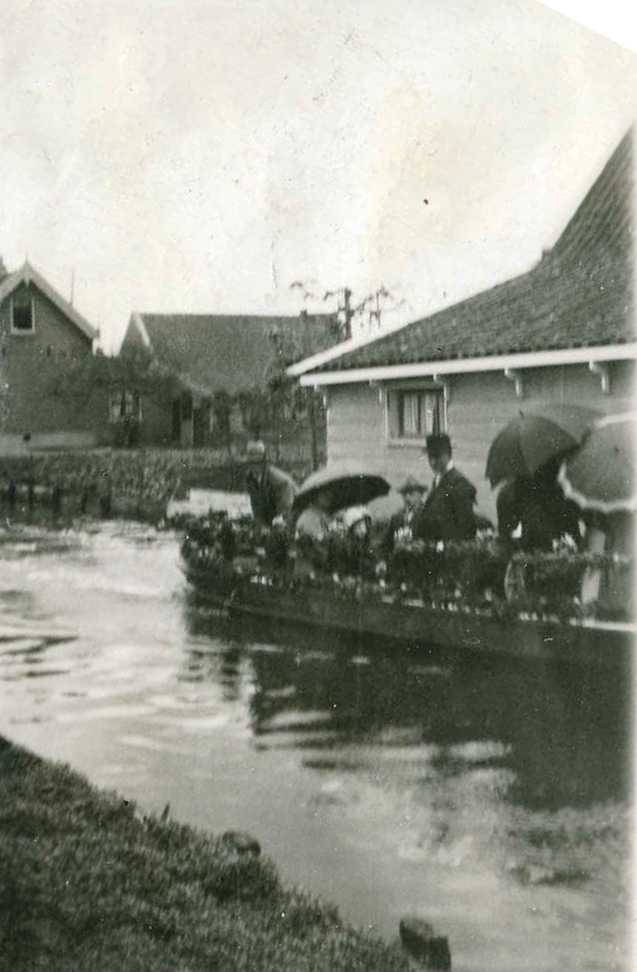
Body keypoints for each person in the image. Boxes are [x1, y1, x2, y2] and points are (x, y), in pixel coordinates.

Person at [413, 434, 477, 542]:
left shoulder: (459, 484)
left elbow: (466, 528)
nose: (432, 462)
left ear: (447, 455)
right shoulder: (437, 480)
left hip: (450, 552)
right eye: (430, 457)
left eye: (436, 456)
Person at [244, 440, 297, 527]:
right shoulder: (250, 479)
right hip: (272, 515)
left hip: (293, 515)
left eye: (258, 463)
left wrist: (279, 522)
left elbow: (286, 509)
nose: (254, 467)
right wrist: (261, 525)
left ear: (264, 463)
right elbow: (256, 507)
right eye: (251, 463)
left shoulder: (279, 480)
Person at [381, 474, 428, 558]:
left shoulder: (428, 515)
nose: (407, 498)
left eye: (411, 493)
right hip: (399, 566)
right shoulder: (396, 518)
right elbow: (386, 545)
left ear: (420, 495)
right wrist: (382, 560)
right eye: (404, 494)